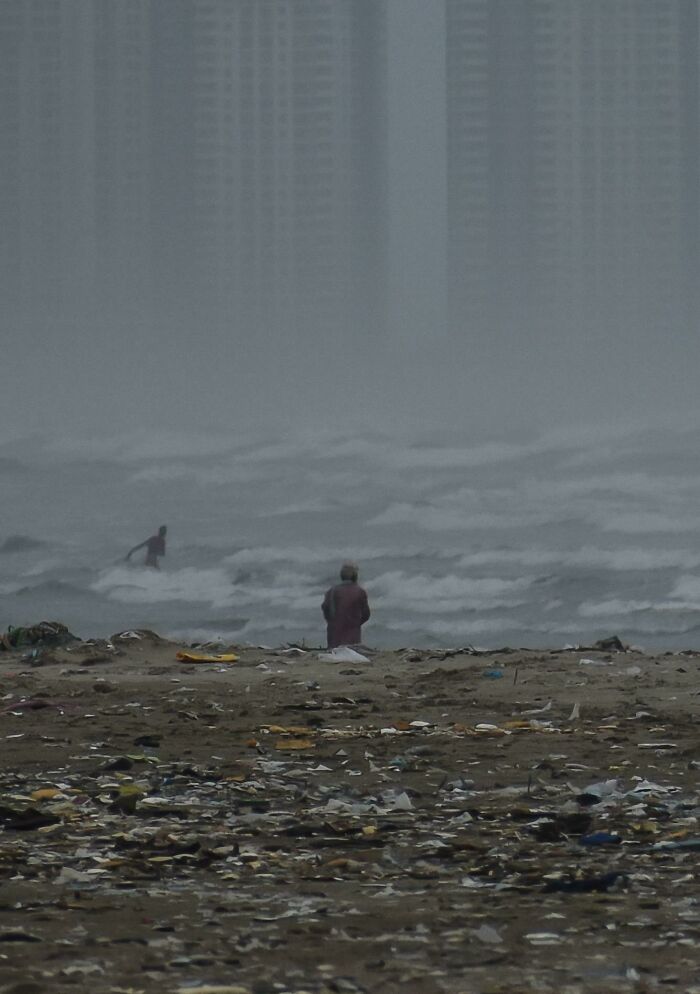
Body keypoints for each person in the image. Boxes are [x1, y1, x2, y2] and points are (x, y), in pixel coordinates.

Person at [322, 561, 370, 649]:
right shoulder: (360, 592)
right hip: (353, 635)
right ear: (355, 576)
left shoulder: (331, 591)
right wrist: (356, 623)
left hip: (334, 637)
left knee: (335, 651)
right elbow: (366, 614)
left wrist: (334, 622)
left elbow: (326, 610)